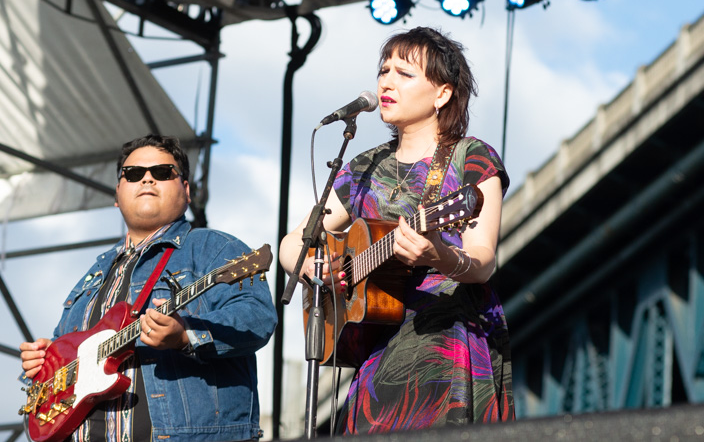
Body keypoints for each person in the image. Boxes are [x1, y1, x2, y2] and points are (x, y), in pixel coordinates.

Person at [279, 26, 515, 433]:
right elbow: (292, 243)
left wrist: (438, 255)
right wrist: (315, 271)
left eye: (404, 73)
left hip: (446, 344)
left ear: (442, 93)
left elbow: (482, 262)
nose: (386, 81)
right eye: (383, 70)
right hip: (377, 349)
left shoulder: (470, 158)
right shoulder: (363, 168)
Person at [19, 134, 277, 442]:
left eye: (163, 173)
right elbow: (61, 356)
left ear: (186, 190)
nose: (147, 179)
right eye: (133, 174)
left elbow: (257, 317)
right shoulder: (95, 273)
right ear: (117, 193)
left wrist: (185, 336)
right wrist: (44, 362)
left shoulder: (215, 249)